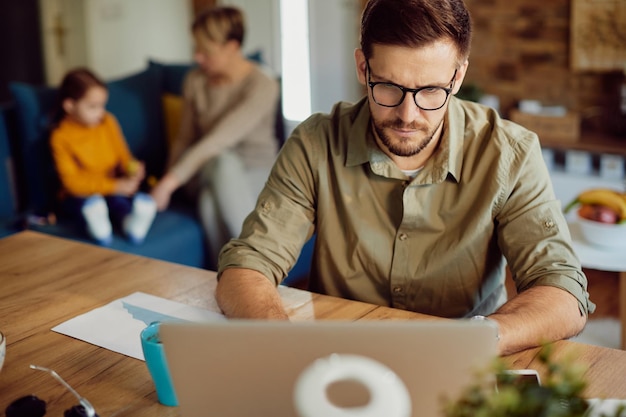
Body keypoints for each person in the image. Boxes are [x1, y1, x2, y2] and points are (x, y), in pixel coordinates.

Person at [215, 0, 595, 356]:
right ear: (363, 68)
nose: (408, 115)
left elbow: (562, 290)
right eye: (389, 88)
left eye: (431, 90)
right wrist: (282, 346)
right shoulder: (315, 143)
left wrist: (477, 339)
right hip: (339, 357)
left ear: (458, 76)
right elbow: (248, 263)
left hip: (465, 357)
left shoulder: (510, 153)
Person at [150, 6, 280, 265]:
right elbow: (184, 138)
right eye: (195, 49)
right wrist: (167, 181)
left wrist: (168, 183)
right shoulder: (195, 82)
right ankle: (260, 270)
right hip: (207, 167)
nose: (197, 57)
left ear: (232, 47)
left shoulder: (262, 84)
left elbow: (220, 137)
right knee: (221, 162)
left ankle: (229, 278)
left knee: (210, 204)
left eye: (205, 51)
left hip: (257, 170)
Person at [50, 68, 157, 246]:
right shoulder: (60, 137)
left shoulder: (107, 121)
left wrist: (132, 168)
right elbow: (71, 183)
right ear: (69, 106)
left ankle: (131, 224)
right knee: (85, 204)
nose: (100, 112)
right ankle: (98, 228)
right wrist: (115, 186)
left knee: (119, 202)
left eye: (102, 105)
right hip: (82, 193)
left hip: (111, 186)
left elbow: (123, 156)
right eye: (93, 107)